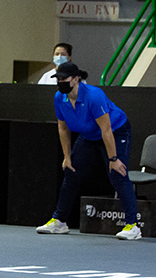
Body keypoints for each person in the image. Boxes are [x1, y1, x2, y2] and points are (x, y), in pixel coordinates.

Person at [37, 62, 141, 240]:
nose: (60, 82)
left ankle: (133, 226)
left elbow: (106, 129)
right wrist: (67, 157)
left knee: (118, 174)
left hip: (115, 131)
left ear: (76, 79)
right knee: (71, 171)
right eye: (58, 79)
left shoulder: (94, 96)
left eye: (64, 79)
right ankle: (59, 221)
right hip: (89, 135)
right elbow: (63, 129)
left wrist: (113, 159)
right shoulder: (59, 98)